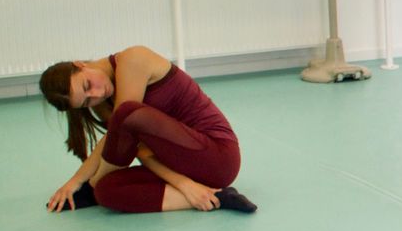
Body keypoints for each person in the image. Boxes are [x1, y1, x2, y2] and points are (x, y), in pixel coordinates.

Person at [40, 46, 256, 214]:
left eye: (87, 85)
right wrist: (185, 184)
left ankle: (92, 185)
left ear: (80, 64)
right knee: (107, 191)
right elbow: (141, 150)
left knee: (124, 115)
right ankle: (219, 197)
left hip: (217, 157)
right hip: (182, 166)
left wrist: (81, 180)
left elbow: (122, 125)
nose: (96, 94)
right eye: (87, 102)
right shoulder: (103, 101)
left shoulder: (133, 59)